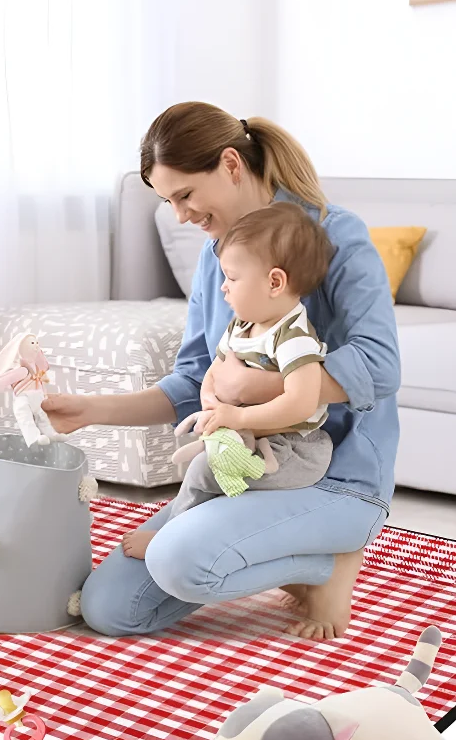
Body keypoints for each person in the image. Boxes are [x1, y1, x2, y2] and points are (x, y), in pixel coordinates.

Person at [43, 102, 399, 642]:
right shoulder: (219, 257)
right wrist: (91, 412)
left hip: (335, 478)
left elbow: (381, 362)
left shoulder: (334, 236)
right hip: (246, 466)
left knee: (178, 559)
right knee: (110, 608)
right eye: (168, 201)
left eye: (185, 195)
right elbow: (191, 380)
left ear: (231, 164)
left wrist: (261, 387)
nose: (180, 215)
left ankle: (327, 562)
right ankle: (274, 544)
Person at [122, 201, 334, 538]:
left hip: (294, 450)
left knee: (204, 472)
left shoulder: (294, 337)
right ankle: (189, 530)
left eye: (232, 278)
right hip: (250, 437)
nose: (223, 287)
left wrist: (239, 418)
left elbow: (302, 402)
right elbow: (216, 369)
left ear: (274, 283)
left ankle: (173, 537)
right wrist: (210, 399)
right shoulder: (242, 324)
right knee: (203, 467)